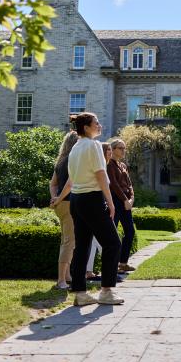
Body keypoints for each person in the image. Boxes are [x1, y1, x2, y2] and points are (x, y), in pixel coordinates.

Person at [67, 112, 123, 306]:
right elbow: (101, 174)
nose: (99, 125)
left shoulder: (75, 148)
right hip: (92, 198)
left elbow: (72, 178)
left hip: (76, 200)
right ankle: (106, 291)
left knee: (82, 246)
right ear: (86, 127)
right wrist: (111, 202)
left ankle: (80, 294)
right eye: (96, 123)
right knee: (113, 244)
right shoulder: (94, 145)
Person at [48, 131, 79, 290]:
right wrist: (58, 199)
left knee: (66, 240)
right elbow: (70, 185)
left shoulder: (60, 161)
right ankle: (61, 280)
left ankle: (67, 276)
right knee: (69, 242)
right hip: (67, 203)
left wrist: (54, 198)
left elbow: (52, 184)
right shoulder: (72, 160)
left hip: (60, 205)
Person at [83, 143, 114, 280]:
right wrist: (110, 203)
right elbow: (102, 184)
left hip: (98, 203)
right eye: (108, 150)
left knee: (95, 241)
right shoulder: (100, 165)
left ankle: (89, 271)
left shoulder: (105, 165)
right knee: (108, 242)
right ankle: (108, 273)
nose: (110, 152)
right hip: (96, 204)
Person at [108, 138, 136, 273]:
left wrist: (131, 199)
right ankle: (111, 265)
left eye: (124, 148)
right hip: (116, 201)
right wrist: (125, 200)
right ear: (112, 150)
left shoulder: (123, 165)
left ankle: (123, 263)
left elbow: (129, 185)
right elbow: (114, 184)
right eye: (120, 148)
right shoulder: (109, 165)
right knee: (112, 233)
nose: (123, 150)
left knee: (130, 231)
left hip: (126, 203)